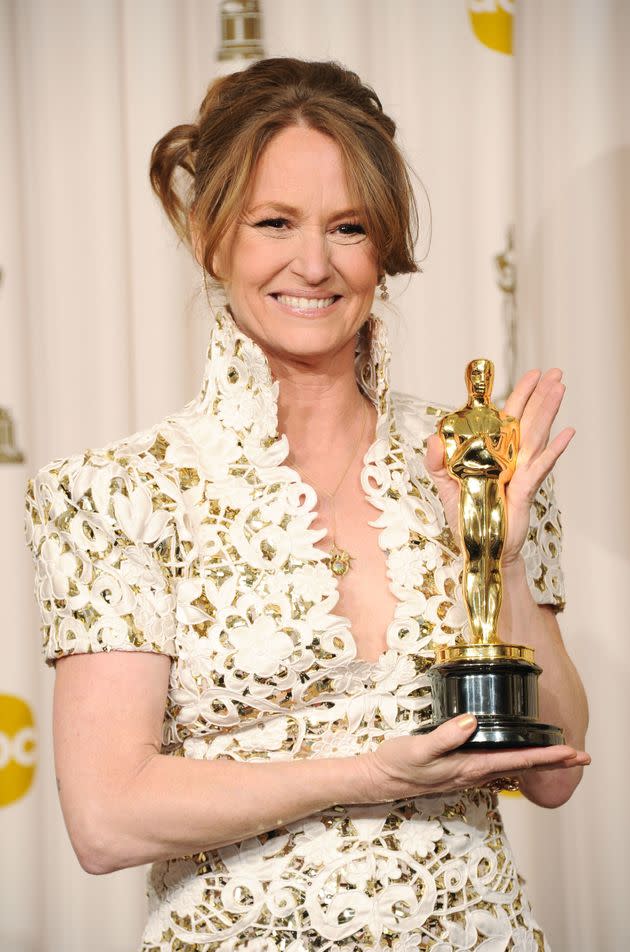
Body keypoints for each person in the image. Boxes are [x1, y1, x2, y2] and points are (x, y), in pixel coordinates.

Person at [24, 57, 589, 952]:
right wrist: (367, 773)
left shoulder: (475, 453)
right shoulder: (118, 492)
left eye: (349, 227)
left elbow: (556, 775)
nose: (314, 265)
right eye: (275, 222)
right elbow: (106, 819)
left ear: (384, 247)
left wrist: (500, 553)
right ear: (213, 238)